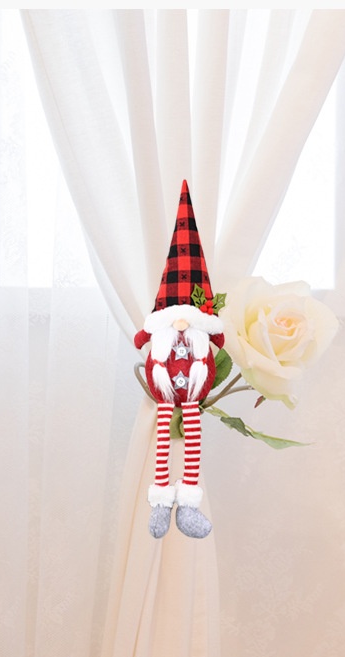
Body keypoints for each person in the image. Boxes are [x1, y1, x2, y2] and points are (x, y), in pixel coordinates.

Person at [134, 180, 224, 539]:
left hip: (190, 400)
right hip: (166, 397)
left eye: (189, 317)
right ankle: (160, 500)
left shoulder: (203, 336)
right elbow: (141, 338)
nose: (183, 323)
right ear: (165, 318)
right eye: (176, 317)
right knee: (163, 443)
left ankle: (187, 505)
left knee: (193, 447)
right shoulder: (159, 334)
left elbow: (220, 338)